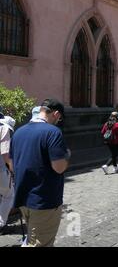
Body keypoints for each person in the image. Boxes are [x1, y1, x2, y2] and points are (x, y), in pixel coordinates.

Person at [10, 99, 70, 247]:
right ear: (56, 114)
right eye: (60, 118)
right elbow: (59, 167)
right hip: (44, 200)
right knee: (39, 243)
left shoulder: (19, 131)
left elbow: (11, 165)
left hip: (23, 197)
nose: (58, 121)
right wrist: (67, 155)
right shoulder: (53, 132)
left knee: (33, 239)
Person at [0, 116, 16, 235]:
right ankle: (0, 224)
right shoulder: (3, 128)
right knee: (8, 196)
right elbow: (5, 153)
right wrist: (12, 169)